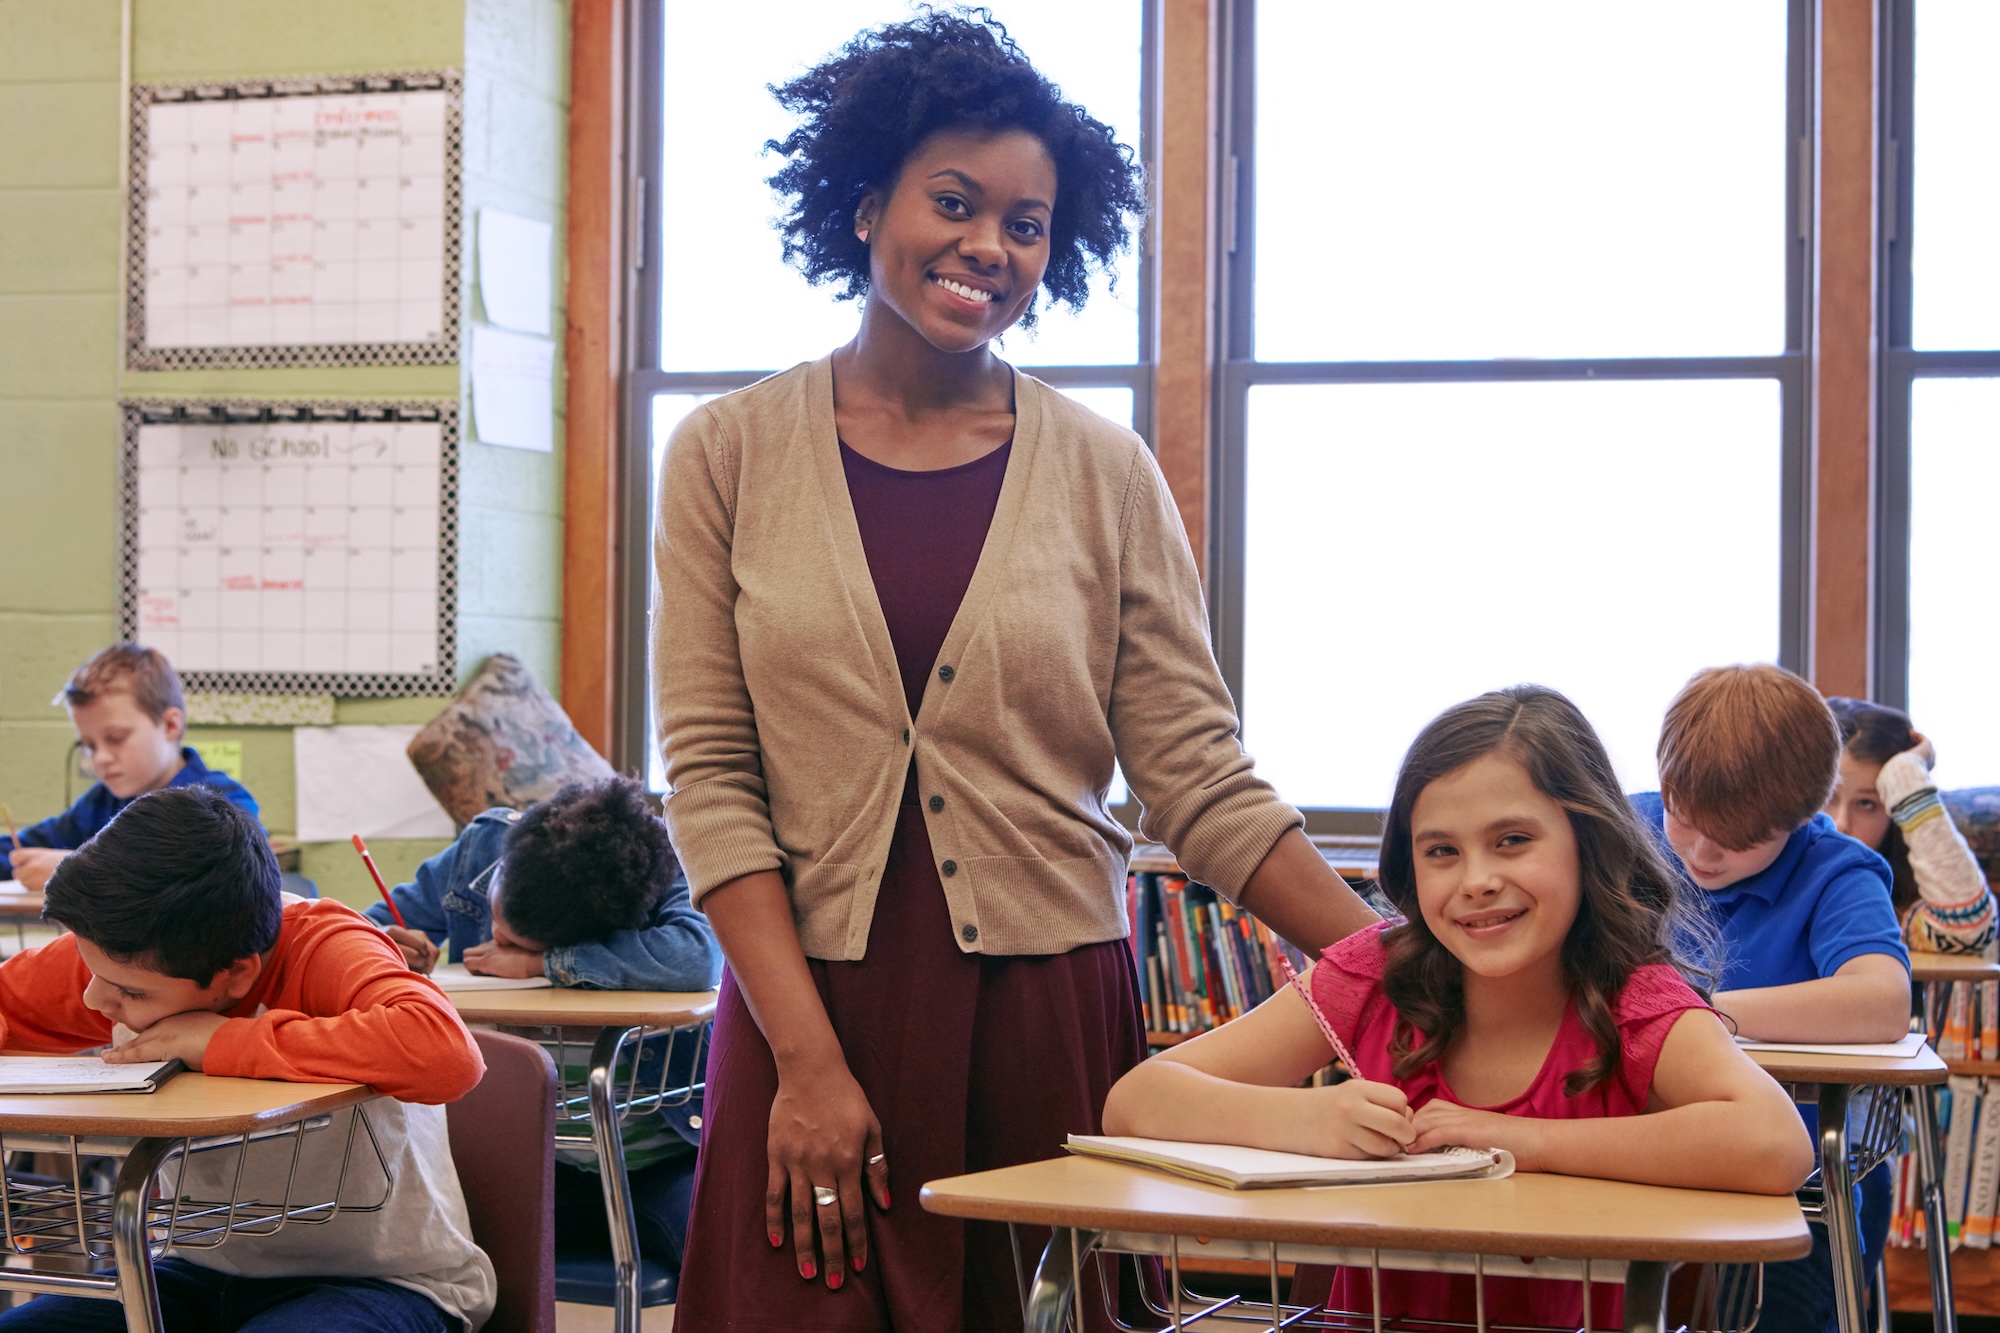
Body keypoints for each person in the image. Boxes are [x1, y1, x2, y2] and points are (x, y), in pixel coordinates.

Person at [651, 13, 1382, 1328]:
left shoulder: (1104, 472)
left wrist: (1394, 960)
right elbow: (710, 775)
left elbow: (1197, 778)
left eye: (1028, 222)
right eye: (955, 201)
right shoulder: (727, 454)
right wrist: (804, 1061)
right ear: (866, 203)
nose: (991, 244)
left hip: (1041, 1007)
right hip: (809, 1008)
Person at [1103, 685, 1812, 1325]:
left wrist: (1519, 1140)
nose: (1476, 880)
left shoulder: (1634, 1000)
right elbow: (1136, 1101)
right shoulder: (1374, 973)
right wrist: (1305, 1117)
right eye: (1441, 850)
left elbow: (1776, 1143)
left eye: (1512, 840)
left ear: (1587, 840)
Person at [0, 786, 493, 1333]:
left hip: (380, 1279)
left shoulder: (326, 945)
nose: (94, 999)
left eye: (129, 995)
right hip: (194, 1266)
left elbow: (445, 1051)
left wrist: (220, 1041)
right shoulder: (124, 952)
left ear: (237, 973)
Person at [1630, 664, 1911, 1333]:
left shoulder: (1836, 869)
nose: (1700, 852)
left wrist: (1695, 1016)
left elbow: (1882, 999)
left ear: (1797, 817)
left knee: (1781, 1298)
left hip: (1797, 1166)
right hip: (1640, 1138)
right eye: (1685, 818)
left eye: (1737, 840)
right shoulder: (1628, 828)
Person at [364, 776, 721, 1278]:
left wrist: (546, 966)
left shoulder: (663, 871)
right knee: (419, 1251)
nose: (491, 938)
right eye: (493, 914)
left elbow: (697, 959)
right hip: (528, 1162)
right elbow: (360, 928)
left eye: (515, 944)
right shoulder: (483, 846)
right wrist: (384, 943)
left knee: (726, 1260)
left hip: (657, 1162)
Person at [0, 644, 260, 892]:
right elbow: (21, 847)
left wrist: (80, 870)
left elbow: (220, 873)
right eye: (89, 745)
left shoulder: (222, 801)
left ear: (170, 725)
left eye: (116, 738)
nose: (99, 758)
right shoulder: (102, 803)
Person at [1825, 696, 1997, 956]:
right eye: (1827, 798)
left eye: (1866, 804)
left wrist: (1904, 774)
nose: (1840, 824)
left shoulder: (1893, 909)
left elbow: (1969, 929)